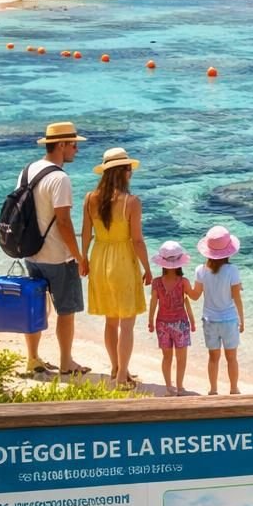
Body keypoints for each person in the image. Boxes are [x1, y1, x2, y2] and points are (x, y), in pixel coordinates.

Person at [19, 121, 92, 377]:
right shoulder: (60, 178)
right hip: (59, 257)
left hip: (32, 251)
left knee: (34, 307)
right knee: (66, 310)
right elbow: (63, 221)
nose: (76, 150)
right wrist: (79, 255)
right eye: (73, 145)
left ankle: (33, 358)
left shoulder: (27, 170)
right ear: (61, 145)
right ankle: (66, 362)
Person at [81, 147, 151, 389]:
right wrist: (148, 268)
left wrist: (83, 259)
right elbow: (137, 241)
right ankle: (122, 376)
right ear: (122, 172)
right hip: (122, 260)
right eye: (129, 169)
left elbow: (87, 235)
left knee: (111, 321)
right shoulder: (131, 202)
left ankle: (115, 368)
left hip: (99, 258)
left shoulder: (90, 198)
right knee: (127, 323)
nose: (131, 173)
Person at [187, 225, 244, 395]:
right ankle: (233, 389)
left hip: (210, 320)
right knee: (232, 358)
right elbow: (236, 297)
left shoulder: (200, 270)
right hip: (229, 320)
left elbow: (195, 295)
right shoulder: (232, 270)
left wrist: (181, 287)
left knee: (213, 358)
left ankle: (213, 390)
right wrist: (242, 319)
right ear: (229, 251)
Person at [146, 241, 196, 395]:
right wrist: (204, 283)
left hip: (162, 324)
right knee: (181, 358)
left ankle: (169, 386)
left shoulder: (156, 282)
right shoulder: (184, 282)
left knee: (166, 357)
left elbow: (153, 303)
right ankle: (180, 387)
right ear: (180, 263)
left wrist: (150, 321)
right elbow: (193, 297)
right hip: (181, 324)